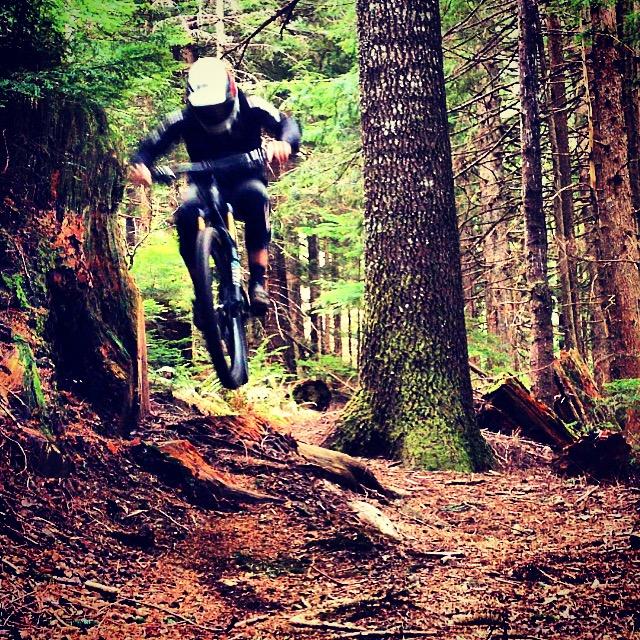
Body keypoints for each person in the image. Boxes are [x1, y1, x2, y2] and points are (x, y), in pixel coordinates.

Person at [129, 56, 301, 316]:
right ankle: (202, 296)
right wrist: (142, 165)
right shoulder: (182, 118)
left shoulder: (251, 106)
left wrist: (285, 143)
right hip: (205, 183)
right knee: (187, 216)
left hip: (246, 177)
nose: (213, 113)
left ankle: (257, 282)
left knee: (256, 197)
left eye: (218, 106)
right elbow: (151, 145)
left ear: (230, 91)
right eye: (207, 108)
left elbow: (286, 124)